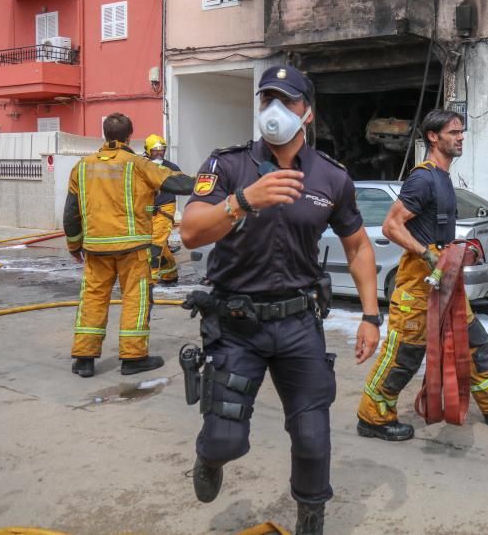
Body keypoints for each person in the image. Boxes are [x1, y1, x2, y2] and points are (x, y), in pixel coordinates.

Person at [178, 65, 382, 535]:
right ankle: (209, 457)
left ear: (307, 112)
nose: (274, 109)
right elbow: (190, 232)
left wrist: (371, 315)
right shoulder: (226, 166)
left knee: (312, 438)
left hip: (297, 324)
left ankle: (312, 516)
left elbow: (357, 246)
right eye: (266, 98)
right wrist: (243, 201)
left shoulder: (330, 177)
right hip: (236, 324)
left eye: (287, 101)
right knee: (225, 438)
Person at [356, 109, 488, 442]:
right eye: (454, 132)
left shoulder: (443, 177)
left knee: (475, 341)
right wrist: (427, 253)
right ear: (433, 137)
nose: (460, 137)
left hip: (444, 275)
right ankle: (373, 417)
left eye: (461, 132)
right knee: (404, 355)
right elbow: (391, 226)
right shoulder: (423, 178)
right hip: (418, 280)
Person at [64, 113, 195, 378]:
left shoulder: (82, 166)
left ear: (105, 135)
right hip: (133, 249)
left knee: (92, 299)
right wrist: (214, 180)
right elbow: (176, 183)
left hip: (96, 249)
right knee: (135, 299)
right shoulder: (137, 164)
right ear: (128, 136)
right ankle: (133, 357)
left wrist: (74, 245)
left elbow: (71, 212)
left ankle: (84, 359)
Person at [143, 134, 182, 285]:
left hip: (165, 210)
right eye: (155, 150)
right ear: (147, 151)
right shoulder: (141, 166)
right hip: (147, 211)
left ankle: (149, 279)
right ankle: (170, 274)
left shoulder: (171, 168)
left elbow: (181, 184)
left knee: (155, 244)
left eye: (162, 150)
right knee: (161, 246)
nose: (159, 153)